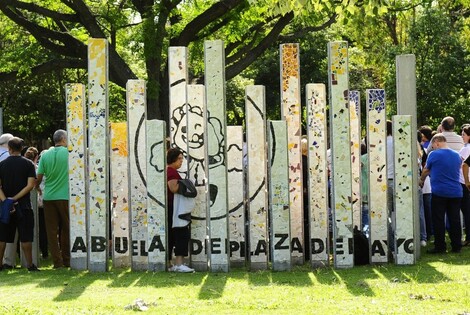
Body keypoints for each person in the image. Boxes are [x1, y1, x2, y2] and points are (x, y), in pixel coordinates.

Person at [0, 137, 39, 271]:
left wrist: (6, 201)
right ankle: (30, 264)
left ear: (9, 149)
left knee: (3, 237)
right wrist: (15, 198)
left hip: (5, 207)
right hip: (24, 205)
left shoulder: (2, 164)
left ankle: (0, 264)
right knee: (26, 236)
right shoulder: (28, 164)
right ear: (21, 149)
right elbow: (30, 186)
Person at [419, 134, 462, 254]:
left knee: (438, 219)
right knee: (455, 219)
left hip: (439, 192)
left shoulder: (434, 154)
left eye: (433, 145)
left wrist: (421, 180)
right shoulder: (456, 155)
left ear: (437, 142)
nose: (432, 147)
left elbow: (426, 170)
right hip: (456, 192)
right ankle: (456, 246)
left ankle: (440, 246)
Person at [36, 130, 70, 268]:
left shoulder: (45, 154)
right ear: (63, 139)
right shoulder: (69, 154)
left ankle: (57, 262)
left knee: (51, 231)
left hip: (48, 196)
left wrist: (38, 188)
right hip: (65, 196)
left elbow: (39, 177)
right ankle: (67, 259)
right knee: (66, 229)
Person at [167, 148, 194, 273]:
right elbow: (173, 188)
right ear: (172, 158)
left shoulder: (170, 171)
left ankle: (171, 264)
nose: (181, 161)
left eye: (182, 158)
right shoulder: (171, 172)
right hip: (176, 208)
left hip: (173, 207)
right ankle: (179, 263)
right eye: (179, 158)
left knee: (172, 236)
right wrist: (185, 185)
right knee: (182, 234)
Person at [25, 147, 48, 258]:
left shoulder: (24, 168)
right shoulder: (38, 169)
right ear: (37, 157)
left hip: (26, 200)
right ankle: (44, 252)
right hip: (40, 202)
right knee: (42, 228)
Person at [0, 133, 18, 269]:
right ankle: (8, 261)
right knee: (8, 231)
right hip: (7, 198)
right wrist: (7, 201)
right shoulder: (8, 157)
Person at [459, 125, 470, 246]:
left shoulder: (465, 149)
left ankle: (468, 237)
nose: (462, 136)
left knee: (466, 211)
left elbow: (460, 164)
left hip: (464, 183)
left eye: (464, 134)